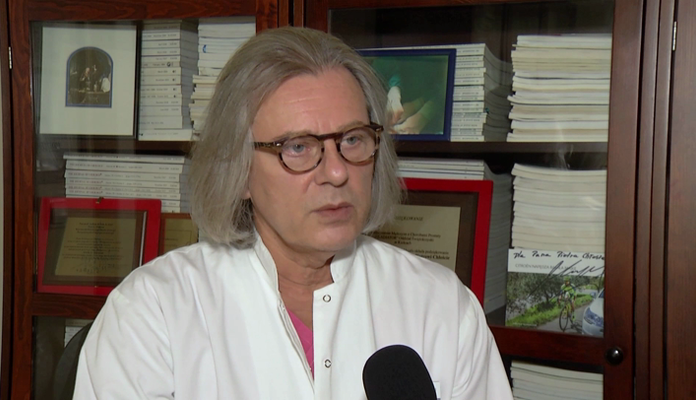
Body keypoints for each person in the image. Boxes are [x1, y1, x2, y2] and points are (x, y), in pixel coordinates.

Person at [73, 26, 512, 399]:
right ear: (239, 171)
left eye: (353, 139)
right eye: (298, 147)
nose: (337, 172)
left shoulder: (442, 307)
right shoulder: (152, 313)